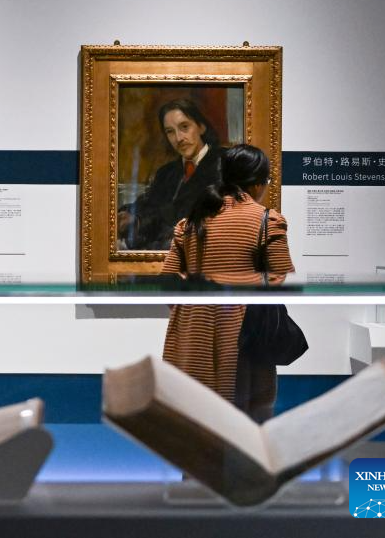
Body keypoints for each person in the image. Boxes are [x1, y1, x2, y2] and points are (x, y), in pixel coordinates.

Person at [161, 144, 295, 423]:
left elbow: (168, 280)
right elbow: (278, 276)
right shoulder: (268, 220)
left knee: (194, 416)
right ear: (257, 183)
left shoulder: (190, 222)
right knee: (244, 418)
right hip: (244, 331)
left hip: (191, 328)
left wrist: (193, 306)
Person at [118, 98, 222, 250]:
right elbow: (148, 203)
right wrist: (125, 213)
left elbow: (183, 215)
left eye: (184, 127)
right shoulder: (166, 172)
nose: (178, 138)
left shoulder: (222, 164)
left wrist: (139, 222)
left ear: (201, 127)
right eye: (170, 132)